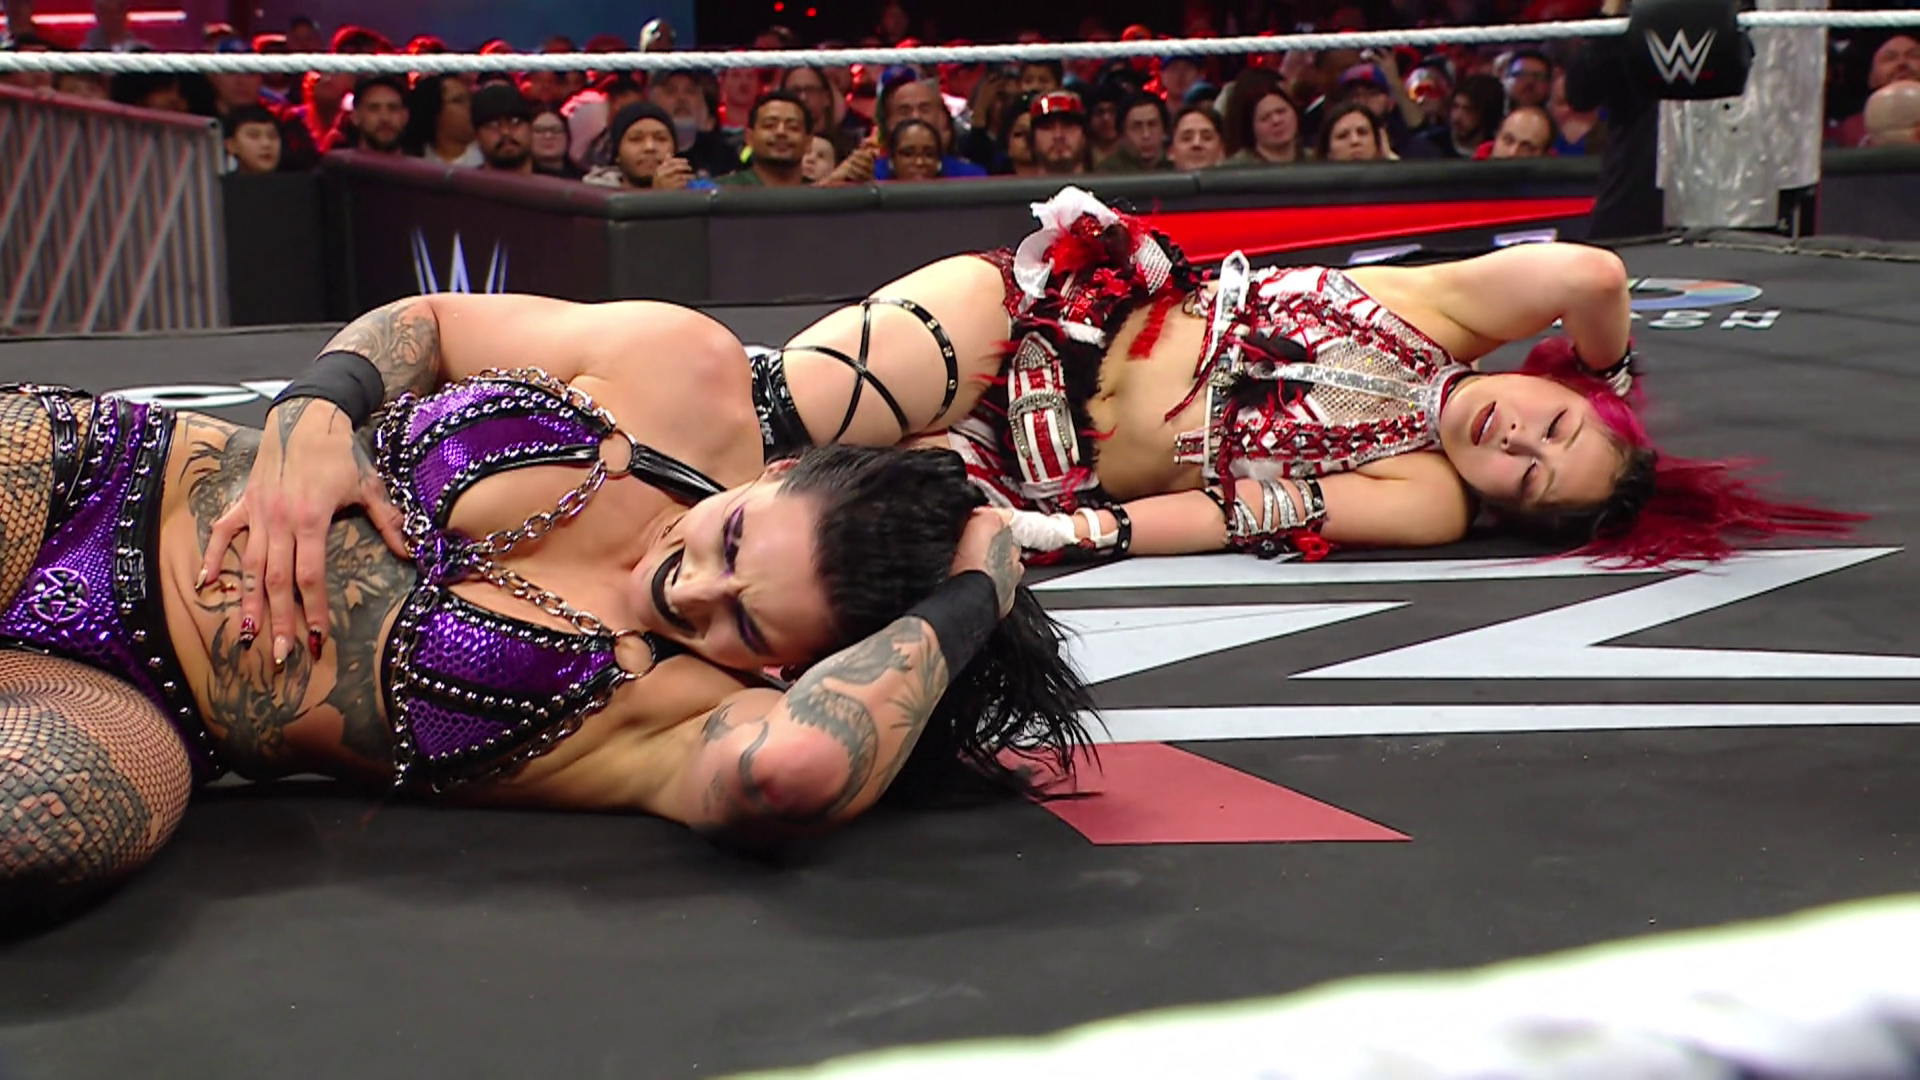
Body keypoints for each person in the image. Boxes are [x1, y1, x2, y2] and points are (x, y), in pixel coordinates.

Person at [0, 298, 1093, 923]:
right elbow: (425, 322)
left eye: (747, 627)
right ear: (776, 473)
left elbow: (798, 771)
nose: (690, 590)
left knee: (39, 830)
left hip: (136, 702)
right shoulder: (681, 373)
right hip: (93, 478)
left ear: (791, 666)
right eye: (730, 541)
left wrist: (977, 588)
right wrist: (319, 411)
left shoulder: (685, 719)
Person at [749, 187, 1853, 566]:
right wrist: (1615, 373)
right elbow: (1591, 271)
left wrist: (1079, 533)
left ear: (1500, 507)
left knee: (772, 510)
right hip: (1032, 322)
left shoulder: (1424, 497)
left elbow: (1236, 513)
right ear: (1559, 386)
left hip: (1025, 468)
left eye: (1528, 477)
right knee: (787, 409)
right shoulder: (1448, 316)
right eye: (1555, 427)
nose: (1517, 442)